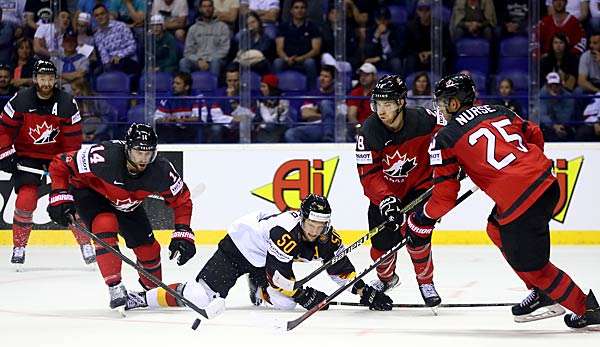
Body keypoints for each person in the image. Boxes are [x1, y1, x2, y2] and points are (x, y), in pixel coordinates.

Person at [412, 73, 600, 328]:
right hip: (548, 183)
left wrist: (422, 217)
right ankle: (541, 291)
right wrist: (520, 168)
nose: (441, 109)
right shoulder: (498, 110)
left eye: (444, 102)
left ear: (455, 103)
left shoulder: (444, 138)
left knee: (536, 268)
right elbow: (533, 133)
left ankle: (587, 309)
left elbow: (444, 198)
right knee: (495, 228)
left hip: (520, 202)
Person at [123, 194, 393, 314]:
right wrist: (303, 293)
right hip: (241, 248)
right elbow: (279, 276)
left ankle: (257, 288)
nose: (315, 230)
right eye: (311, 223)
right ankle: (142, 298)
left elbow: (340, 269)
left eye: (321, 225)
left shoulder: (327, 237)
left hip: (267, 261)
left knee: (285, 305)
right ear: (302, 219)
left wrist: (365, 292)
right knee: (199, 297)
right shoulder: (283, 232)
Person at [46, 123, 196, 309]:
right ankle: (115, 286)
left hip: (127, 205)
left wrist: (183, 231)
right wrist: (59, 195)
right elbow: (61, 162)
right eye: (137, 153)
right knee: (104, 223)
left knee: (149, 250)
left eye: (147, 153)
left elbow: (182, 201)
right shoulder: (103, 156)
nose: (142, 159)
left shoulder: (161, 171)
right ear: (127, 149)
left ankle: (148, 293)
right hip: (93, 195)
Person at [354, 74, 443, 308]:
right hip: (385, 195)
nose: (381, 111)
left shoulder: (425, 120)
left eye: (388, 104)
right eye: (378, 104)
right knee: (381, 246)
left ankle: (426, 282)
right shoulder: (369, 131)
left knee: (417, 239)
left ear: (401, 102)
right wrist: (385, 200)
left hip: (419, 189)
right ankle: (387, 278)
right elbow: (368, 174)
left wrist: (455, 164)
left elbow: (452, 136)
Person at [0, 59, 95, 269]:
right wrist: (5, 153)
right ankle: (19, 247)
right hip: (27, 156)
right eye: (42, 78)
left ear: (55, 79)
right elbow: (4, 129)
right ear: (35, 79)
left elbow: (72, 141)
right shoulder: (21, 100)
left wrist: (67, 164)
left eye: (49, 78)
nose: (45, 82)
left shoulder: (67, 103)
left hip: (58, 158)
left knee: (68, 200)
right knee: (26, 197)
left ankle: (85, 243)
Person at [274, 0, 322, 90]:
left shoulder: (313, 27)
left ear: (306, 10)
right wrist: (286, 59)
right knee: (277, 62)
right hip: (287, 59)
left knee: (310, 63)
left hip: (304, 59)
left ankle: (311, 93)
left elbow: (316, 50)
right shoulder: (283, 27)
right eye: (296, 7)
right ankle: (275, 93)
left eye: (302, 7)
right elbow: (279, 49)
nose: (299, 10)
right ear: (291, 11)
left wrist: (300, 59)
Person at [284, 64, 336, 143]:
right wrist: (328, 116)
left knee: (326, 103)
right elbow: (306, 114)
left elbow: (342, 116)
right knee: (290, 134)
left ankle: (328, 139)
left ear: (333, 80)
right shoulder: (312, 94)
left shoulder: (339, 95)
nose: (322, 79)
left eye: (326, 77)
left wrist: (316, 111)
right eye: (321, 76)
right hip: (316, 128)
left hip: (335, 128)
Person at [179, 0, 230, 76]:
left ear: (213, 8)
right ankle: (186, 86)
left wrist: (208, 60)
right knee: (183, 62)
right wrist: (199, 60)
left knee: (215, 62)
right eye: (204, 6)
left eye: (209, 6)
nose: (207, 9)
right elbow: (188, 52)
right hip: (197, 61)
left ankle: (214, 86)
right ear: (200, 9)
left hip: (216, 60)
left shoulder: (223, 27)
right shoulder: (193, 29)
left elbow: (224, 49)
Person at [253, 73, 290, 143]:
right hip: (265, 129)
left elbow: (279, 120)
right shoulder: (260, 101)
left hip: (279, 128)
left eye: (264, 87)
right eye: (261, 86)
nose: (261, 89)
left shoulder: (283, 100)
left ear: (271, 87)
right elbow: (259, 119)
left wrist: (262, 125)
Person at [540, 72, 576, 141]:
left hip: (563, 125)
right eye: (551, 85)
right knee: (543, 129)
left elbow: (565, 117)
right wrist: (554, 126)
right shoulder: (542, 94)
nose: (554, 88)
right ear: (546, 86)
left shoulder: (568, 97)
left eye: (556, 85)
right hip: (549, 126)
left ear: (561, 85)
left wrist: (556, 101)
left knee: (568, 132)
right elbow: (542, 115)